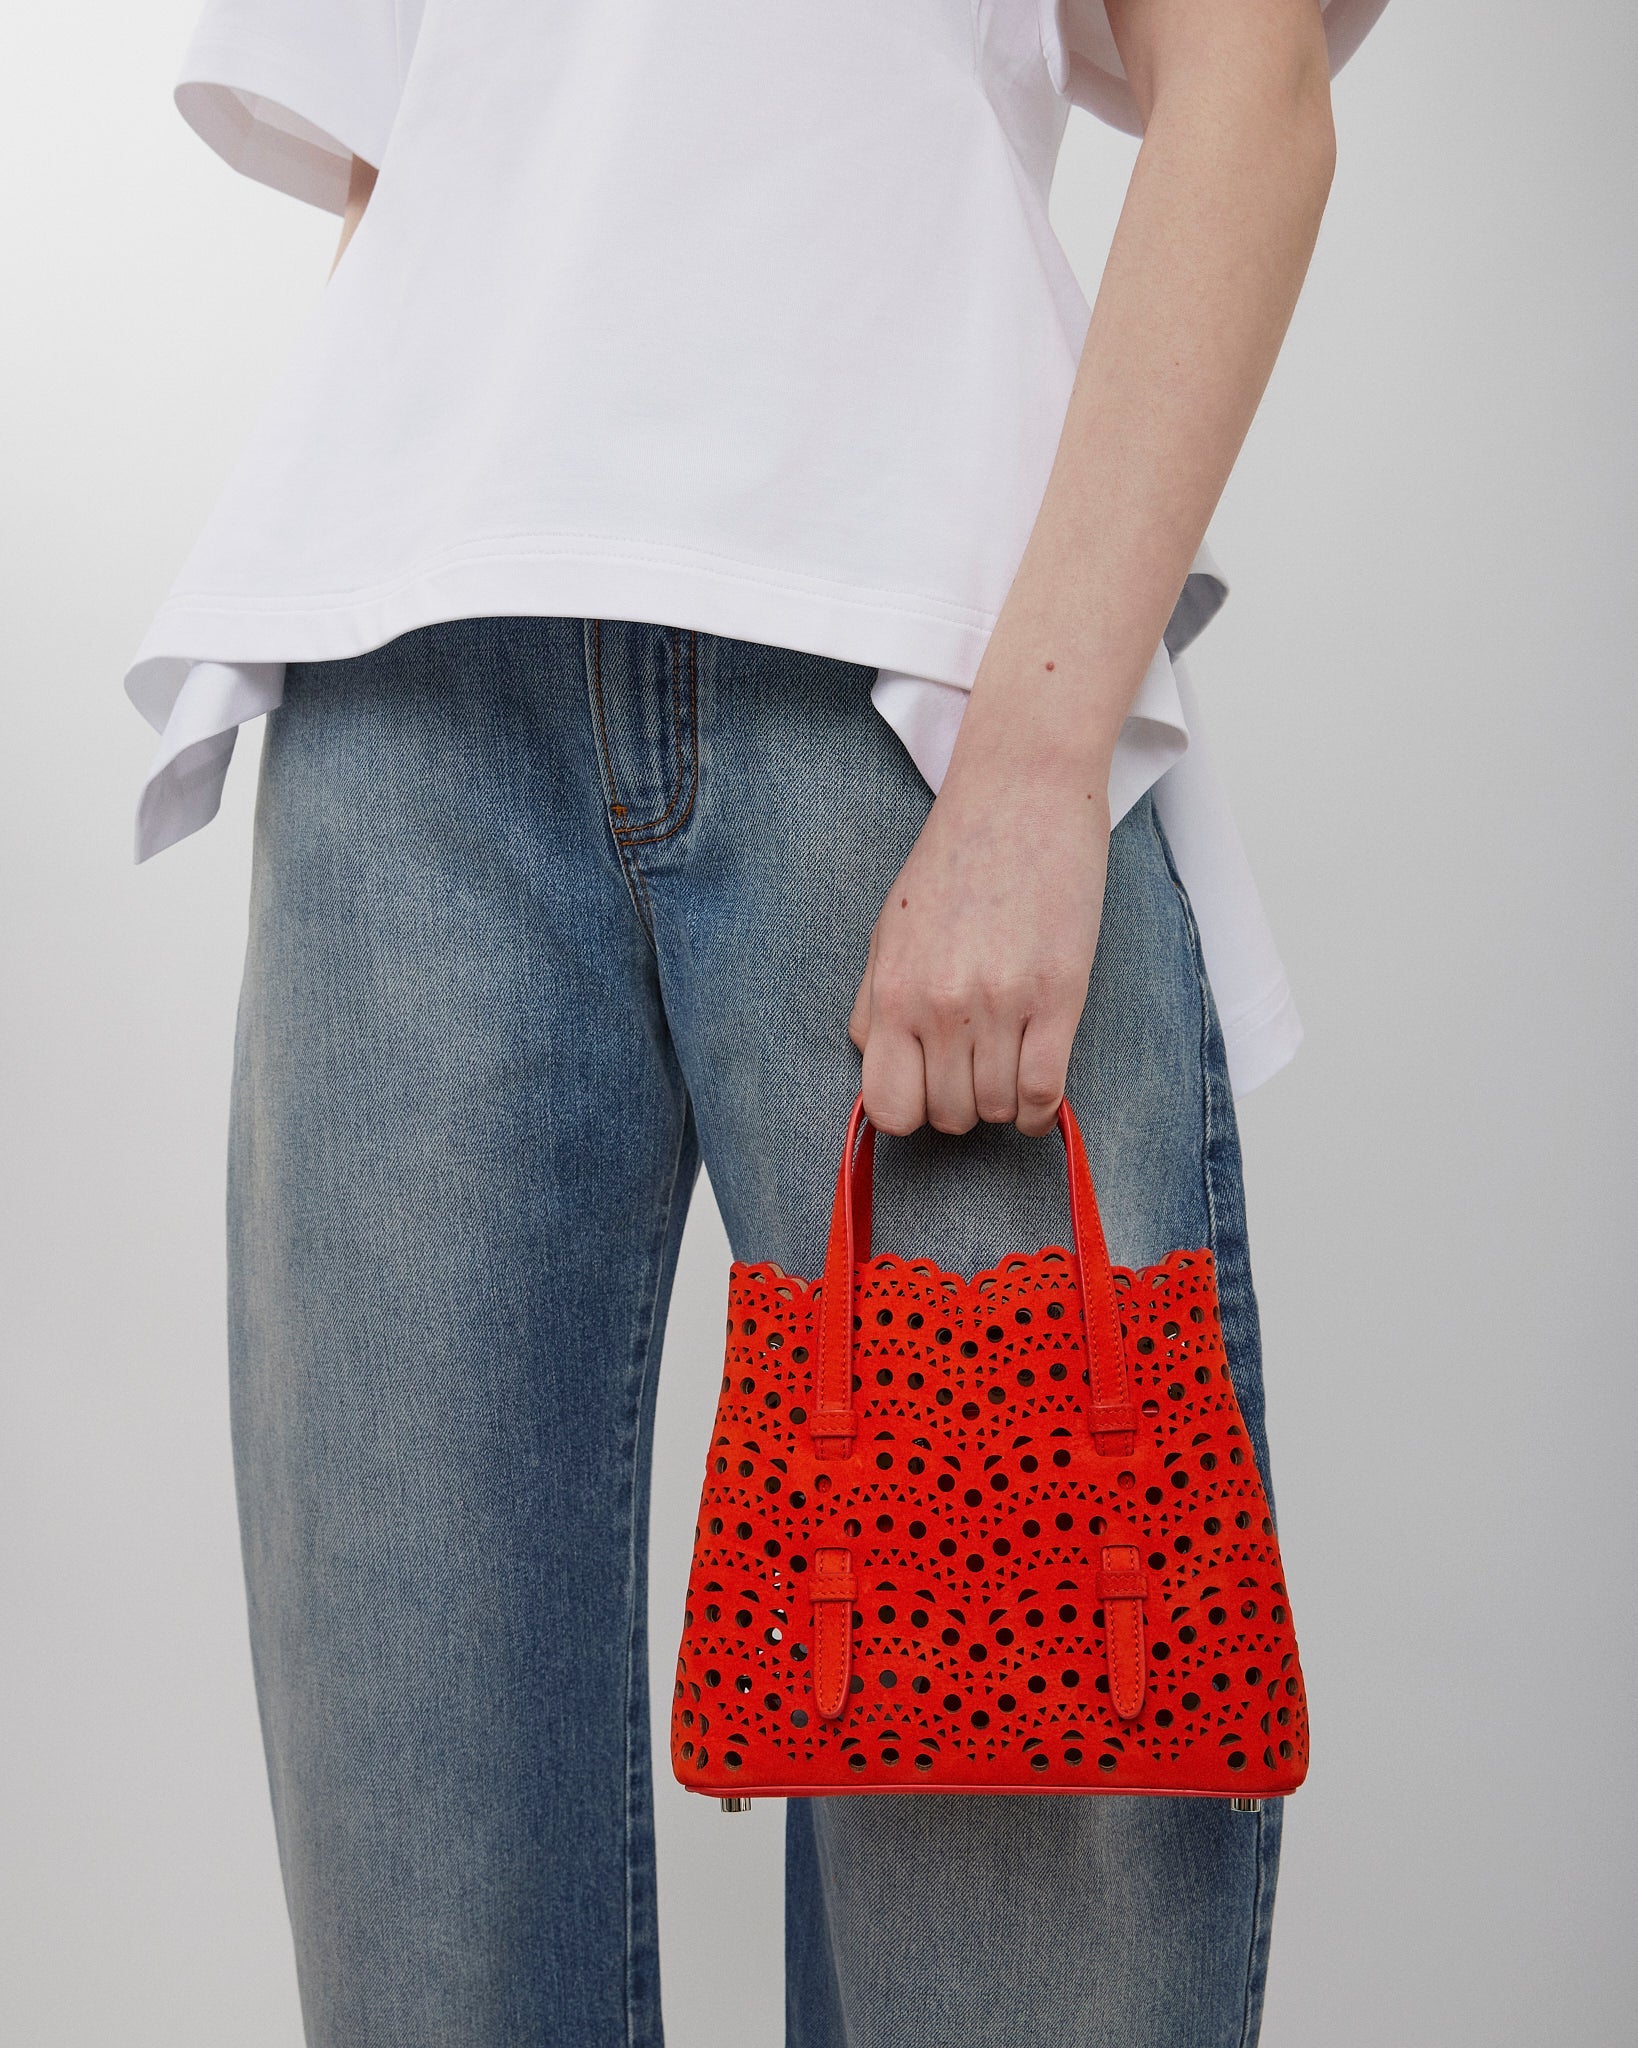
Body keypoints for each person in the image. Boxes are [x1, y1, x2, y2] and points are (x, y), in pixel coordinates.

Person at [128, 1, 1388, 2042]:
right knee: (419, 1934)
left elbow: (1249, 90)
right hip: (403, 710)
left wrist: (1035, 770)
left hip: (915, 692)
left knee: (1028, 1908)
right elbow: (416, 154)